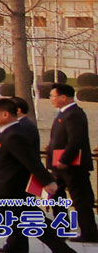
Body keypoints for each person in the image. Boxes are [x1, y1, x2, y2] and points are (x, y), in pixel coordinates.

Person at [0, 98, 71, 253]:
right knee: (38, 225)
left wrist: (48, 182)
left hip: (7, 189)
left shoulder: (14, 135)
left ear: (5, 114)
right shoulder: (6, 133)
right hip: (11, 190)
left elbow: (31, 161)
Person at [47, 83, 98, 241]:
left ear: (63, 97)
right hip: (60, 166)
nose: (51, 99)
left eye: (53, 96)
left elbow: (76, 140)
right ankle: (61, 228)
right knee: (57, 196)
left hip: (72, 166)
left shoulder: (74, 114)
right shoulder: (63, 114)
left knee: (81, 199)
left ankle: (89, 233)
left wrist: (64, 160)